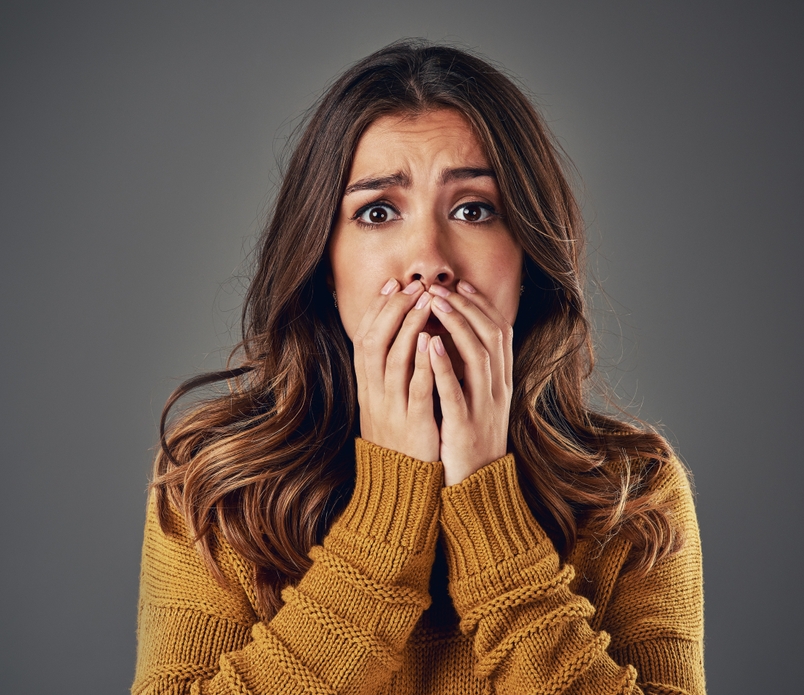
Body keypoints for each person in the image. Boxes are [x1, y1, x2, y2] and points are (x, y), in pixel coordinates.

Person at [131, 40, 705, 695]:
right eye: (378, 212)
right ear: (326, 262)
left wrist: (490, 506)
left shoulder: (635, 494)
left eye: (473, 209)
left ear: (525, 259)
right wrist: (387, 509)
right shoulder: (214, 485)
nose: (428, 258)